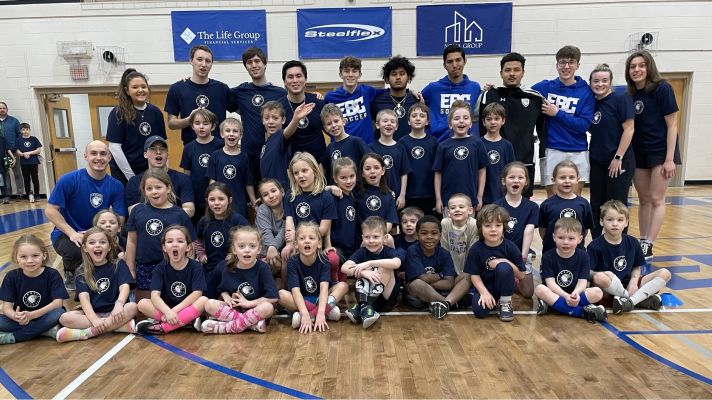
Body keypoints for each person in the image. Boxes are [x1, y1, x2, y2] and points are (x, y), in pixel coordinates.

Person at [45, 141, 127, 290]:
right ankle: (70, 270)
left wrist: (109, 232)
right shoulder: (68, 180)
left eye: (103, 154)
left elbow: (120, 216)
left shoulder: (116, 185)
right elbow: (50, 210)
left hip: (98, 232)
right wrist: (72, 234)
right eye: (93, 153)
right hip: (67, 234)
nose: (99, 157)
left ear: (109, 157)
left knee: (123, 246)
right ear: (85, 156)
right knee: (77, 251)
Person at [626, 50, 681, 260]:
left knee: (657, 198)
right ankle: (642, 240)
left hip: (660, 152)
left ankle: (650, 243)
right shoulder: (631, 95)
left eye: (641, 65)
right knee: (644, 198)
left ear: (649, 67)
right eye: (633, 66)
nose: (637, 70)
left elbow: (672, 124)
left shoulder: (662, 88)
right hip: (640, 152)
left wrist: (669, 159)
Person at [477, 52, 545, 198]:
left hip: (524, 160)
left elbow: (543, 131)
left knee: (521, 205)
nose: (512, 74)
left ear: (523, 72)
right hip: (494, 162)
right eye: (507, 70)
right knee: (493, 206)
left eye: (516, 70)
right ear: (501, 73)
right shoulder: (489, 95)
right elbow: (481, 129)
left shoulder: (534, 98)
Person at [532, 45, 595, 197]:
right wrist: (492, 90)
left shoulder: (586, 91)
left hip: (578, 150)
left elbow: (583, 125)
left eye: (571, 62)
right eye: (562, 62)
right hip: (552, 149)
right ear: (557, 65)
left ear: (577, 65)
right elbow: (519, 94)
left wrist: (557, 113)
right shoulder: (544, 87)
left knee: (574, 198)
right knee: (552, 199)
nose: (566, 66)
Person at [589, 200, 671, 313]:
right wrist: (602, 275)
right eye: (610, 219)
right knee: (600, 277)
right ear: (601, 221)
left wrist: (633, 281)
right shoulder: (595, 246)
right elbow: (588, 272)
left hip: (629, 285)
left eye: (620, 220)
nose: (615, 223)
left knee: (665, 273)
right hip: (608, 290)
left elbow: (636, 267)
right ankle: (637, 300)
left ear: (626, 222)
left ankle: (629, 302)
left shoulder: (632, 242)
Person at [56, 227, 136, 342]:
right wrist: (94, 319)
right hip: (94, 313)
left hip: (116, 311)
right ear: (85, 248)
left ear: (109, 247)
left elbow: (124, 286)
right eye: (92, 242)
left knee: (132, 307)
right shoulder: (81, 271)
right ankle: (118, 326)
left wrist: (119, 304)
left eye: (102, 242)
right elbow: (84, 298)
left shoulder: (118, 264)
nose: (97, 245)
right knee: (64, 318)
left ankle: (87, 333)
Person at [125, 169, 195, 299]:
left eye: (158, 187)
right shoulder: (138, 211)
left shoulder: (179, 214)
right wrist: (131, 269)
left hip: (173, 266)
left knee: (173, 300)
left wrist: (188, 269)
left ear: (168, 188)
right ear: (144, 191)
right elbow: (131, 241)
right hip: (145, 266)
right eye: (149, 188)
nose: (154, 191)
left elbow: (190, 245)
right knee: (143, 304)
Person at [201, 226, 278, 334]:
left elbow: (273, 297)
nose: (247, 250)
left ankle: (228, 327)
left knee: (268, 307)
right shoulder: (228, 266)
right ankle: (251, 325)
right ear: (234, 249)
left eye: (252, 246)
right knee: (209, 304)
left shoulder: (263, 268)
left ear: (259, 249)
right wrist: (227, 298)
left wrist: (248, 303)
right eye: (241, 246)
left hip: (255, 309)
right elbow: (222, 289)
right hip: (235, 310)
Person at [588, 63, 635, 238]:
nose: (600, 84)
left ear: (610, 82)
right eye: (596, 81)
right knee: (597, 205)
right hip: (597, 162)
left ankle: (619, 245)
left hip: (618, 161)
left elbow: (629, 129)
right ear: (591, 83)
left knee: (616, 206)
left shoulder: (620, 99)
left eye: (604, 80)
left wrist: (618, 157)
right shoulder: (592, 104)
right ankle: (597, 245)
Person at [136, 225, 208, 335]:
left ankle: (163, 327)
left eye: (180, 241)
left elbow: (197, 293)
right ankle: (186, 321)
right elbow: (155, 296)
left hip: (186, 307)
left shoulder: (196, 266)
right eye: (169, 241)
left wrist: (173, 312)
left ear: (188, 247)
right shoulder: (160, 268)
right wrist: (167, 311)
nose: (175, 244)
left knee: (203, 300)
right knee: (142, 303)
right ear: (164, 247)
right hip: (166, 308)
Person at [278, 222, 347, 334]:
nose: (307, 241)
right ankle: (327, 311)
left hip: (320, 298)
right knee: (281, 295)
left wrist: (319, 313)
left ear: (319, 243)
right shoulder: (292, 262)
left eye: (311, 238)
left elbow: (324, 288)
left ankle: (313, 315)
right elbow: (295, 291)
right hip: (301, 300)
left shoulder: (324, 261)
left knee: (343, 286)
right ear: (296, 244)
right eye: (302, 238)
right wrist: (304, 313)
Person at [534, 218, 608, 322]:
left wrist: (575, 294)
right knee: (539, 289)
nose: (565, 242)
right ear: (554, 237)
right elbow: (550, 283)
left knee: (598, 292)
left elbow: (583, 282)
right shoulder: (547, 256)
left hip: (576, 294)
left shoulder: (584, 256)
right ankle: (582, 312)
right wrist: (565, 296)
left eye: (571, 238)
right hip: (555, 293)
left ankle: (554, 307)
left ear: (580, 239)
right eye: (561, 237)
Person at [232, 47, 288, 183]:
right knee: (252, 195)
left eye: (257, 61)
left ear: (265, 63)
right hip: (249, 154)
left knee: (275, 192)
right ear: (246, 67)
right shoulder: (240, 91)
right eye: (249, 62)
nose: (254, 65)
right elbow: (216, 92)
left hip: (275, 152)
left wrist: (316, 95)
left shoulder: (280, 93)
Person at [0, 235, 67, 344]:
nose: (29, 261)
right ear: (15, 257)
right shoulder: (11, 276)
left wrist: (32, 315)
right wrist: (15, 316)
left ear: (44, 255)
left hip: (45, 316)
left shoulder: (52, 274)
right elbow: (6, 306)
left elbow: (58, 304)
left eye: (35, 255)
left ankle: (14, 337)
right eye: (23, 257)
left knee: (59, 313)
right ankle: (44, 331)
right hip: (22, 319)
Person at [464, 204, 527, 321]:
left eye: (498, 225)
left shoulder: (511, 247)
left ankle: (505, 303)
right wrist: (484, 293)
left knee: (503, 267)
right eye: (487, 226)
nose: (493, 229)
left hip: (505, 288)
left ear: (504, 227)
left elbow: (521, 275)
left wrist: (504, 261)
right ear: (480, 228)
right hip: (486, 287)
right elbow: (474, 275)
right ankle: (492, 300)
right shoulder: (476, 249)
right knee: (479, 312)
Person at [281, 152, 338, 280]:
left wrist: (304, 238)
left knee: (330, 260)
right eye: (296, 173)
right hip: (297, 242)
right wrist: (291, 243)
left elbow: (323, 228)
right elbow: (289, 221)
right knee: (286, 257)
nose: (300, 175)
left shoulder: (326, 197)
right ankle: (286, 294)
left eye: (304, 170)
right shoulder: (291, 196)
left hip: (316, 243)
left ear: (314, 170)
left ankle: (328, 290)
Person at [107, 69, 167, 185]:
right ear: (127, 91)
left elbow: (163, 145)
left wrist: (162, 172)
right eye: (135, 87)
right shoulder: (118, 113)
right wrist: (132, 178)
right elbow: (115, 148)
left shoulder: (155, 112)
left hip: (150, 170)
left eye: (143, 87)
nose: (140, 90)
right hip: (125, 173)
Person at [165, 45, 234, 145]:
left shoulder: (221, 88)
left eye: (208, 61)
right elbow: (171, 124)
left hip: (219, 150)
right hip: (191, 148)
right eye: (199, 59)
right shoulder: (177, 89)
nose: (203, 64)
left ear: (211, 64)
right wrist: (189, 120)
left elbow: (242, 110)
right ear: (191, 61)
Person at [341, 216, 401, 328]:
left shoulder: (389, 251)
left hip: (385, 298)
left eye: (375, 237)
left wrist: (370, 263)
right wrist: (363, 272)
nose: (371, 241)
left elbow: (396, 263)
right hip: (366, 297)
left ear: (385, 237)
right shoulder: (361, 252)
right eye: (367, 237)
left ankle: (361, 308)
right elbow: (344, 268)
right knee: (361, 270)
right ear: (362, 238)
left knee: (385, 267)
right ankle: (365, 308)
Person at [194, 182, 249, 299]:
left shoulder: (237, 220)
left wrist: (234, 256)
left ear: (229, 200)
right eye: (212, 199)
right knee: (205, 299)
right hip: (210, 268)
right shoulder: (204, 221)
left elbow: (249, 242)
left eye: (221, 199)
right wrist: (201, 254)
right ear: (207, 201)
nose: (216, 203)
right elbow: (197, 240)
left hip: (233, 268)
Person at [433, 100, 487, 214]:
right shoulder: (443, 146)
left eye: (465, 118)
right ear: (450, 124)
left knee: (469, 230)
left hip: (470, 200)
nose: (461, 121)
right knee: (449, 230)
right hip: (448, 200)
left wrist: (480, 196)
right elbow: (438, 174)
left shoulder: (477, 143)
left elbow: (482, 171)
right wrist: (438, 199)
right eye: (456, 118)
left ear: (471, 123)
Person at [494, 162, 539, 294]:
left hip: (521, 253)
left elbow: (529, 230)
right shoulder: (496, 206)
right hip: (501, 253)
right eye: (512, 177)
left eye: (520, 177)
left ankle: (513, 279)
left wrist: (523, 254)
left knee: (528, 293)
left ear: (526, 182)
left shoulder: (532, 207)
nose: (516, 180)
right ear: (504, 181)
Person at [421, 45, 482, 142]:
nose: (454, 65)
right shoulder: (433, 88)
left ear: (464, 61)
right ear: (444, 65)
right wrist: (412, 92)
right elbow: (415, 101)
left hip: (465, 144)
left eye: (458, 60)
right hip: (438, 144)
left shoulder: (474, 87)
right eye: (450, 61)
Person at [404, 216, 461, 319]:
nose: (429, 236)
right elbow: (422, 278)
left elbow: (449, 283)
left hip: (437, 290)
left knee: (466, 276)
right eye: (424, 233)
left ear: (440, 235)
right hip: (416, 294)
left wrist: (429, 284)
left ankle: (440, 303)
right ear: (417, 235)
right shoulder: (413, 251)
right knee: (417, 284)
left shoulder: (444, 253)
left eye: (434, 233)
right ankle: (448, 304)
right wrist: (441, 275)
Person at [125, 136, 195, 218]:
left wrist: (166, 220)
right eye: (153, 149)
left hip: (175, 226)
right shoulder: (134, 181)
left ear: (167, 154)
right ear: (145, 154)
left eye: (162, 149)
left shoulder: (182, 179)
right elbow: (134, 213)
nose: (158, 152)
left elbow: (189, 209)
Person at [325, 56, 387, 144]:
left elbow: (389, 92)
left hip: (366, 147)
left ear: (360, 74)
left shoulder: (367, 91)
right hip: (343, 147)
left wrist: (411, 92)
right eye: (346, 71)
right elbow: (323, 123)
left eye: (354, 71)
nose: (350, 74)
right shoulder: (330, 97)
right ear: (340, 74)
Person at [180, 108, 224, 226]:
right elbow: (186, 174)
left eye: (205, 123)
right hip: (196, 195)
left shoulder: (221, 145)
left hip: (216, 196)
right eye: (197, 123)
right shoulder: (188, 148)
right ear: (192, 126)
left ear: (213, 126)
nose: (201, 127)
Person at [538, 160, 594, 253]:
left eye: (571, 177)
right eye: (562, 177)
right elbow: (542, 229)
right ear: (553, 180)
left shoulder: (583, 204)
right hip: (551, 253)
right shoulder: (547, 204)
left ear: (577, 180)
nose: (567, 181)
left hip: (576, 254)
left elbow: (585, 229)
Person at [206, 118, 256, 218]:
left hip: (239, 204)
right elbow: (212, 181)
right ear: (222, 134)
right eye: (228, 130)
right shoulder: (215, 156)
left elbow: (248, 184)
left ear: (241, 135)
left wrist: (254, 202)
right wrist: (211, 200)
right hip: (220, 203)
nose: (231, 134)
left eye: (235, 131)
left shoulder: (244, 157)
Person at [278, 60, 326, 160]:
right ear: (284, 82)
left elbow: (331, 129)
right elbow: (278, 139)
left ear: (305, 79)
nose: (295, 80)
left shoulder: (318, 102)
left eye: (299, 76)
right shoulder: (278, 107)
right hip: (292, 168)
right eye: (290, 77)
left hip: (320, 166)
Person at [399, 103, 439, 215]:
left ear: (427, 121)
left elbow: (438, 170)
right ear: (408, 121)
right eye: (414, 116)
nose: (417, 118)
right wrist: (402, 194)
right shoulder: (402, 142)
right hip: (409, 194)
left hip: (429, 194)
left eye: (422, 116)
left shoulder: (434, 142)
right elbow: (402, 169)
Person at [371, 55, 420, 141]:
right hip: (384, 151)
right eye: (393, 74)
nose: (398, 77)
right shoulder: (376, 101)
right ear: (387, 79)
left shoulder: (417, 100)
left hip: (410, 150)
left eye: (402, 73)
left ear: (409, 77)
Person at [370, 109, 411, 209]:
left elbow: (404, 173)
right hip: (377, 195)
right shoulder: (370, 148)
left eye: (392, 122)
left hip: (397, 196)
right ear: (377, 125)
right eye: (385, 121)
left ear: (396, 126)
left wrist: (402, 195)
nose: (389, 124)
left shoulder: (400, 148)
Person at [319, 103, 370, 185]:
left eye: (336, 121)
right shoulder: (330, 148)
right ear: (325, 129)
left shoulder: (356, 142)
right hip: (336, 194)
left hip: (356, 192)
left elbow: (371, 162)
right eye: (329, 124)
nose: (333, 125)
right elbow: (323, 166)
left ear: (343, 121)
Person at [355, 153, 399, 239]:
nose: (372, 171)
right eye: (367, 168)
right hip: (360, 239)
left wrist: (376, 237)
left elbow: (390, 221)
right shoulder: (355, 190)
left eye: (376, 168)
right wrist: (331, 187)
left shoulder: (389, 195)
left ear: (383, 171)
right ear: (362, 173)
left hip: (380, 239)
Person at [325, 157, 359, 269]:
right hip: (337, 248)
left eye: (351, 176)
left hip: (352, 249)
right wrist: (328, 188)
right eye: (343, 178)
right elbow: (315, 193)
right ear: (335, 178)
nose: (348, 181)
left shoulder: (354, 197)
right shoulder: (332, 196)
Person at [480, 103, 515, 205]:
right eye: (489, 119)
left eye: (496, 118)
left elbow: (511, 171)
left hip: (502, 195)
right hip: (483, 196)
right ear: (483, 122)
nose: (493, 122)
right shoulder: (478, 144)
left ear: (503, 121)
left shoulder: (507, 145)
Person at [255, 179, 287, 287]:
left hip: (284, 252)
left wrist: (273, 247)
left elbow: (284, 230)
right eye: (265, 195)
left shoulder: (289, 206)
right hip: (265, 253)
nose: (271, 196)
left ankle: (284, 291)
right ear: (263, 200)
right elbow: (265, 232)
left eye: (273, 191)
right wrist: (272, 248)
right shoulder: (263, 209)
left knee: (287, 262)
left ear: (282, 191)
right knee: (265, 265)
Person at [440, 194, 478, 277]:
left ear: (470, 210)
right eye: (453, 208)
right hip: (450, 266)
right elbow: (444, 248)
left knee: (466, 277)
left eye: (461, 207)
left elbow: (472, 250)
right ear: (448, 213)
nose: (457, 210)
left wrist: (465, 271)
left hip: (468, 268)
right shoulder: (445, 223)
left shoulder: (474, 224)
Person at [259, 101, 292, 191]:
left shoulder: (281, 137)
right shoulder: (266, 143)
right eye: (267, 118)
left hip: (281, 191)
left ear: (283, 120)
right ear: (263, 121)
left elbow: (288, 131)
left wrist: (296, 118)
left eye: (275, 118)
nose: (271, 122)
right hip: (268, 191)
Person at [0, 101, 24, 199]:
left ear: (7, 109)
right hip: (1, 153)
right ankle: (8, 194)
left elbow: (20, 136)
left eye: (3, 108)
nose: (2, 110)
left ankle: (20, 193)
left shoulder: (14, 121)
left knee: (17, 172)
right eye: (0, 108)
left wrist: (17, 148)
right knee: (5, 174)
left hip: (14, 152)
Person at [15, 123, 42, 203]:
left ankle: (37, 195)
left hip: (33, 162)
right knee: (26, 179)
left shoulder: (34, 139)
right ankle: (28, 195)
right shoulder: (18, 140)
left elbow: (38, 150)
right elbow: (17, 151)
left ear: (29, 130)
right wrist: (23, 154)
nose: (25, 131)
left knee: (35, 178)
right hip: (24, 163)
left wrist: (29, 153)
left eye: (27, 129)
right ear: (21, 131)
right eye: (23, 129)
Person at [0, 125, 15, 203]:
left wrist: (13, 158)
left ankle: (5, 196)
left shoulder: (2, 139)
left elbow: (8, 149)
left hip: (1, 164)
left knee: (2, 180)